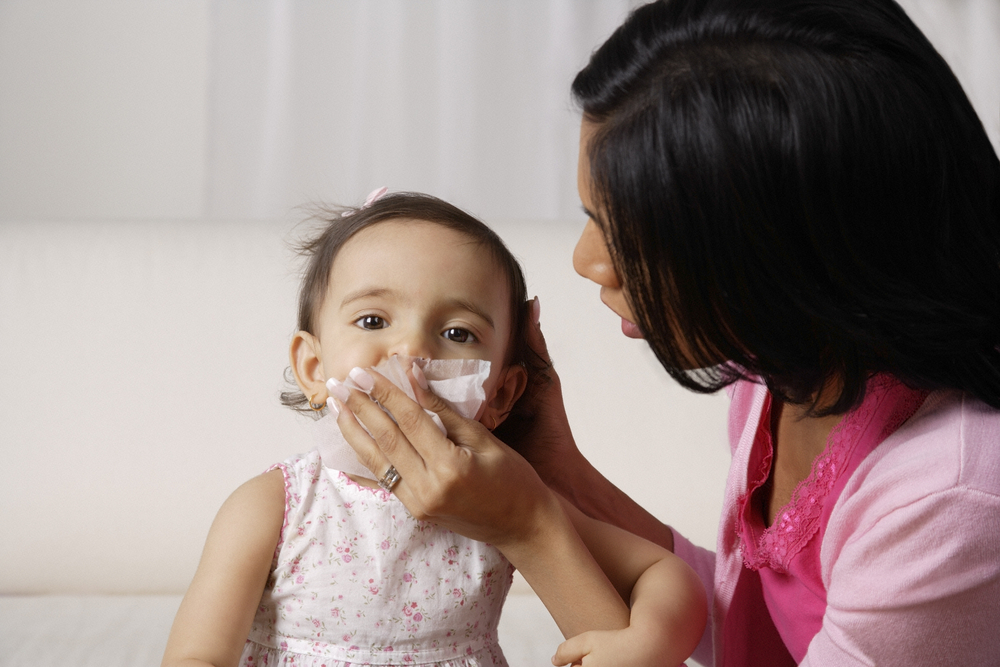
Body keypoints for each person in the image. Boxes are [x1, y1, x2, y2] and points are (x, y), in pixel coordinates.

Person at [329, 1, 1000, 665]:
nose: (586, 260)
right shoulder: (781, 368)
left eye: (628, 236)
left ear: (782, 258)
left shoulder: (949, 496)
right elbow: (756, 634)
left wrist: (530, 527)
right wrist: (558, 473)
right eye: (591, 216)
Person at [160, 190, 707, 667]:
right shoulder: (275, 507)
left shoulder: (502, 502)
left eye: (457, 332)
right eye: (374, 321)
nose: (413, 350)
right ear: (312, 368)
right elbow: (196, 654)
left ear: (503, 395)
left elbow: (661, 571)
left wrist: (654, 638)